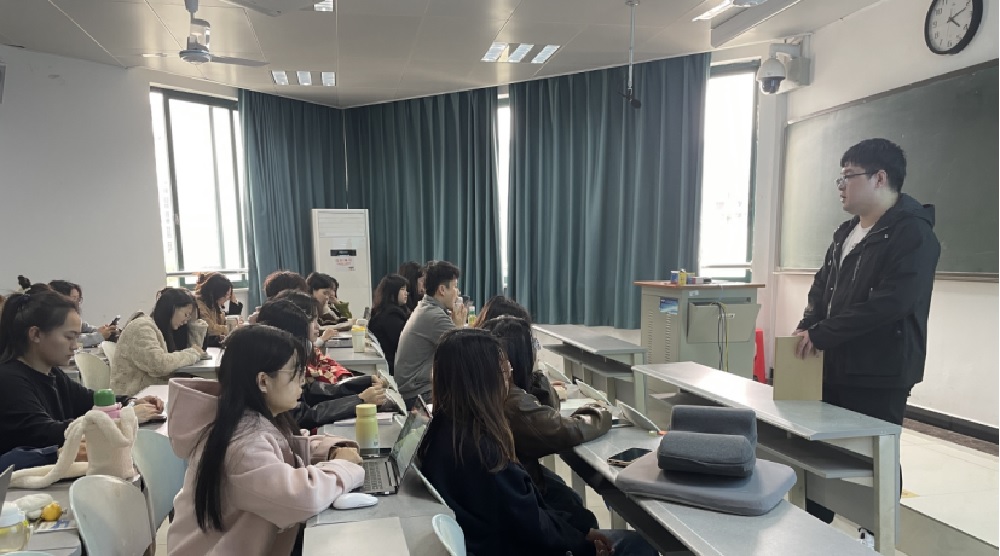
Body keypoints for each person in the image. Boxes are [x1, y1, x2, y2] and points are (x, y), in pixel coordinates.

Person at [794, 139, 940, 530]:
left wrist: (824, 333)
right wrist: (808, 324)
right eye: (839, 177)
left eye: (848, 176)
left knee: (875, 458)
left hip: (880, 369)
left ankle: (876, 536)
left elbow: (891, 303)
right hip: (834, 363)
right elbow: (822, 286)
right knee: (821, 453)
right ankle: (812, 531)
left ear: (879, 178)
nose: (840, 185)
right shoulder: (846, 232)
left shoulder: (913, 234)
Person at [418, 329, 655, 556]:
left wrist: (582, 532)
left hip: (493, 544)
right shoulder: (486, 452)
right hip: (516, 549)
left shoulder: (444, 431)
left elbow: (530, 515)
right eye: (503, 371)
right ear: (483, 380)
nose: (509, 377)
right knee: (637, 545)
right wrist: (584, 546)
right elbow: (535, 529)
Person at [167, 325, 365, 555]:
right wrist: (344, 467)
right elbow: (302, 497)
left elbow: (289, 445)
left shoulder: (245, 421)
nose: (303, 381)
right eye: (295, 373)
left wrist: (332, 449)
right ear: (263, 381)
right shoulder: (243, 446)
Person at [481, 316, 612, 532]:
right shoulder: (513, 401)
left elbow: (550, 411)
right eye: (533, 344)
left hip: (516, 487)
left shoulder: (496, 389)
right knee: (579, 514)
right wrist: (600, 411)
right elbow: (566, 429)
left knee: (569, 496)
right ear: (520, 355)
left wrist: (532, 375)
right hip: (526, 497)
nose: (536, 350)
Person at [0, 291, 163, 457]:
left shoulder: (52, 373)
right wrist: (121, 418)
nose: (75, 346)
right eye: (69, 337)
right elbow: (46, 433)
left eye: (77, 338)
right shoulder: (9, 380)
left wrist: (130, 402)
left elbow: (87, 399)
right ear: (35, 334)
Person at [257, 298, 388, 430]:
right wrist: (359, 401)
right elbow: (303, 416)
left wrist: (364, 383)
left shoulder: (282, 364)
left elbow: (310, 391)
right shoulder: (275, 368)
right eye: (312, 321)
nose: (317, 327)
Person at [394, 260, 467, 408]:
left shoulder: (426, 307)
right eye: (455, 286)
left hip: (411, 389)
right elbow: (463, 352)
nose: (458, 292)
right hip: (418, 394)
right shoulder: (434, 316)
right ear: (442, 290)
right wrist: (459, 327)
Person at [111, 288, 208, 397]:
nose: (186, 321)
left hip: (151, 390)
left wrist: (194, 324)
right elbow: (159, 364)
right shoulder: (141, 327)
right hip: (134, 396)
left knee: (201, 388)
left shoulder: (161, 328)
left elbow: (192, 349)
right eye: (186, 314)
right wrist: (192, 353)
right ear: (173, 308)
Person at [48, 280, 116, 347]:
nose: (77, 303)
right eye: (74, 298)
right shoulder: (52, 319)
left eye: (78, 299)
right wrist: (99, 336)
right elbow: (74, 339)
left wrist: (103, 330)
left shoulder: (72, 318)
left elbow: (85, 328)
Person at [367, 273, 410, 375]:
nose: (406, 293)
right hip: (393, 366)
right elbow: (404, 343)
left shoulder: (384, 310)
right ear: (392, 291)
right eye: (402, 289)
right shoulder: (391, 315)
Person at [195, 273, 233, 347]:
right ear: (218, 293)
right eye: (227, 295)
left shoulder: (214, 304)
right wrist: (230, 328)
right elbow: (210, 329)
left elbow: (221, 323)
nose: (228, 298)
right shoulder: (199, 305)